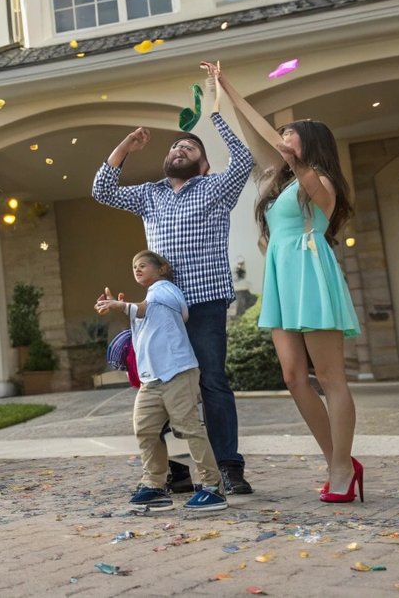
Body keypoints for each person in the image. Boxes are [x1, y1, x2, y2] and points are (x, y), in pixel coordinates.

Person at [91, 67, 255, 495]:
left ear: (202, 164)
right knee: (158, 384)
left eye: (190, 147)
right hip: (160, 310)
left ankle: (228, 467)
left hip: (203, 304)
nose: (181, 148)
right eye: (177, 144)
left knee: (211, 382)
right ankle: (172, 472)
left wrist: (213, 117)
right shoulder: (150, 194)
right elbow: (102, 190)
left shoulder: (216, 187)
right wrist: (126, 146)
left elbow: (245, 160)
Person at [211, 63, 363, 503]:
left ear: (309, 143)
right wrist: (227, 89)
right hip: (282, 275)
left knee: (331, 377)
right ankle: (338, 459)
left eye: (289, 134)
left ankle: (340, 468)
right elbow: (258, 140)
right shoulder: (277, 182)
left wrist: (233, 90)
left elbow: (274, 143)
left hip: (310, 271)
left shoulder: (321, 182)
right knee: (294, 377)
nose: (281, 140)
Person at [96, 251, 226, 513]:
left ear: (162, 269)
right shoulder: (148, 299)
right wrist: (122, 307)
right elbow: (145, 317)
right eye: (134, 266)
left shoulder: (165, 289)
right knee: (145, 428)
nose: (137, 269)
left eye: (143, 264)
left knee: (189, 428)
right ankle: (154, 486)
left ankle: (213, 487)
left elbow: (146, 308)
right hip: (152, 380)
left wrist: (123, 306)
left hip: (177, 373)